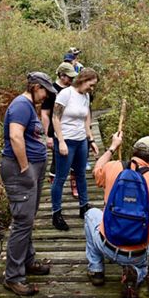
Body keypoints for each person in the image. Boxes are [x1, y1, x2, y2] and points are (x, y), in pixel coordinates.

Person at [84, 132, 149, 298]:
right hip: (135, 254)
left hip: (107, 244)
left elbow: (96, 171)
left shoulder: (113, 167)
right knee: (142, 266)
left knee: (90, 214)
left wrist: (112, 147)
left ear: (133, 152)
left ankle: (96, 270)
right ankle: (135, 273)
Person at [1, 71, 57, 297]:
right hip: (19, 170)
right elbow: (15, 136)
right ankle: (13, 277)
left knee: (28, 218)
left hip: (31, 169)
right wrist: (24, 167)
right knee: (23, 221)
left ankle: (27, 261)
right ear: (35, 86)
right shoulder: (21, 106)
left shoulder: (28, 105)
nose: (46, 96)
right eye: (44, 91)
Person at [51, 68, 100, 231]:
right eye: (91, 85)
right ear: (83, 80)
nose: (91, 89)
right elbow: (55, 117)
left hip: (81, 141)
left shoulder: (85, 96)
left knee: (80, 175)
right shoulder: (66, 94)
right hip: (66, 141)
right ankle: (56, 213)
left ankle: (84, 206)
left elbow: (86, 119)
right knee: (61, 177)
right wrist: (61, 141)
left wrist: (91, 139)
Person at [40, 63, 78, 187]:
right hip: (56, 131)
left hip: (72, 130)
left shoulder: (73, 89)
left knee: (75, 158)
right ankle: (54, 186)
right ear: (62, 76)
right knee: (57, 160)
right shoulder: (52, 90)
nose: (72, 80)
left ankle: (74, 183)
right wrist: (48, 135)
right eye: (69, 77)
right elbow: (45, 113)